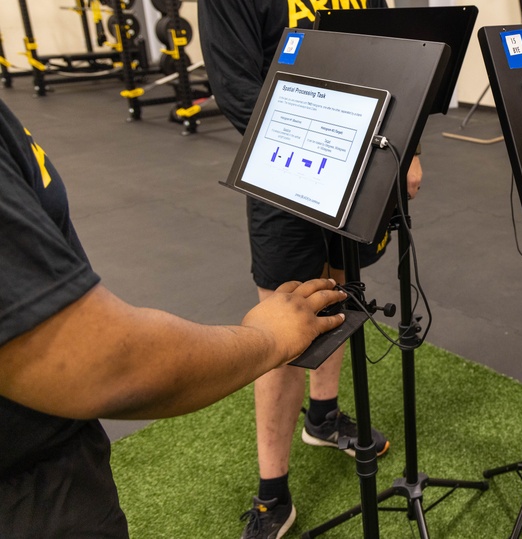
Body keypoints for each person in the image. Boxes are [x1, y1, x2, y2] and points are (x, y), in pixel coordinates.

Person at [0, 96, 346, 537]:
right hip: (28, 498)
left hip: (55, 463)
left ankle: (324, 415)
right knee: (289, 314)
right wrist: (267, 339)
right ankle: (273, 490)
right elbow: (104, 365)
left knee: (329, 296)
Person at [197, 0, 423, 537]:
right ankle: (274, 491)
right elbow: (239, 93)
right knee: (284, 328)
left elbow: (395, 60)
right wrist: (327, 156)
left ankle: (323, 420)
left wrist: (402, 150)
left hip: (359, 177)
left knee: (339, 297)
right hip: (289, 178)